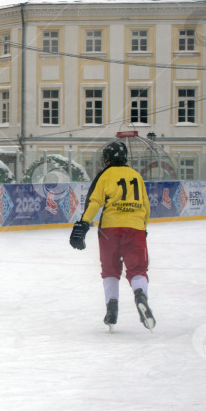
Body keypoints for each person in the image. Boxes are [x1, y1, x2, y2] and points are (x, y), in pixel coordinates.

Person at [69, 141, 156, 332]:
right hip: (135, 228)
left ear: (107, 158)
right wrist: (142, 228)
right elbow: (146, 207)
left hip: (110, 229)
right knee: (138, 269)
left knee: (110, 270)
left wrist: (84, 223)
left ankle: (112, 308)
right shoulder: (136, 176)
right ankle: (140, 294)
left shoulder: (105, 175)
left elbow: (94, 202)